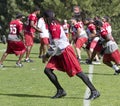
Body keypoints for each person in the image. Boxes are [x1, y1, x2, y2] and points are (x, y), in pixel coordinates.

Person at [42, 10, 100, 100]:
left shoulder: (54, 26)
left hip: (65, 51)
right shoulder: (51, 25)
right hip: (58, 52)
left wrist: (46, 55)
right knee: (47, 70)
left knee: (78, 72)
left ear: (46, 18)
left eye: (44, 18)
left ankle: (94, 91)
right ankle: (60, 90)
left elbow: (55, 44)